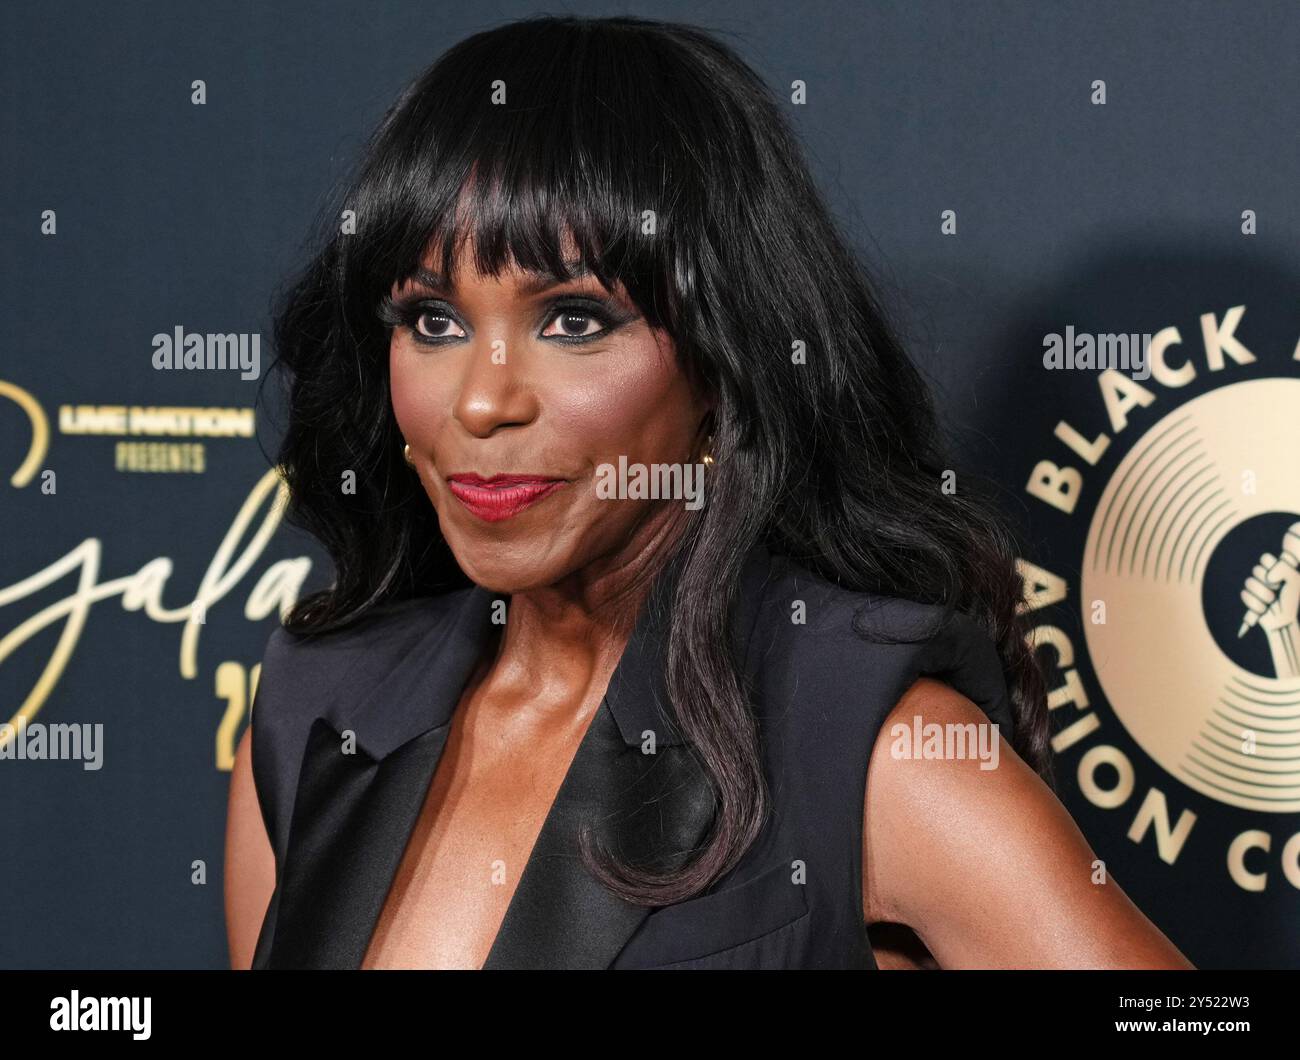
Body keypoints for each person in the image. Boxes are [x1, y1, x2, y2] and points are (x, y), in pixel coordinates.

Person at [223, 14, 1193, 970]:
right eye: (432, 320)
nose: (480, 402)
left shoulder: (869, 748)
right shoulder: (323, 699)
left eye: (572, 321)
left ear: (726, 356)